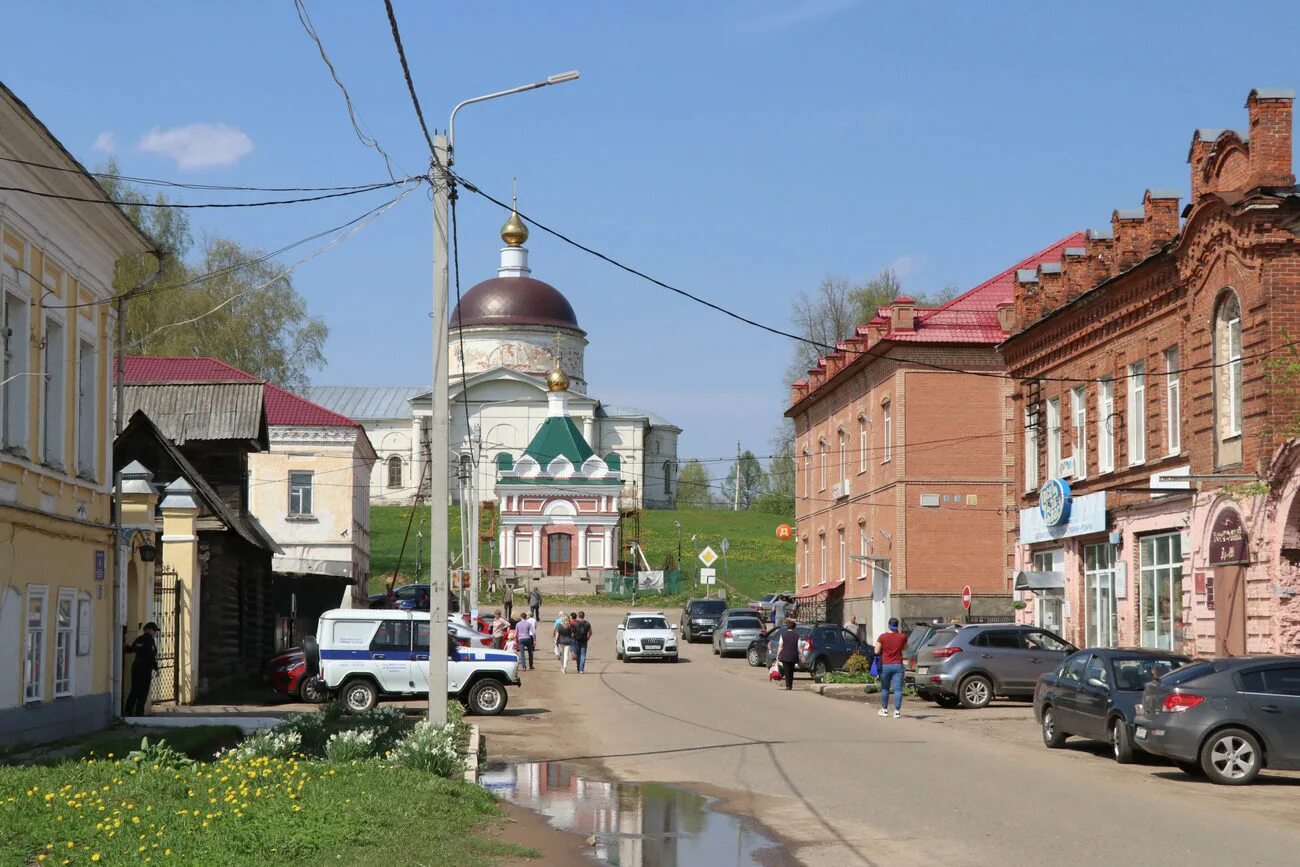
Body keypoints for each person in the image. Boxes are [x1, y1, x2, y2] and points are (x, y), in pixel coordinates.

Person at [123, 622, 160, 716]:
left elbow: (132, 649)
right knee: (143, 691)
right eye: (154, 630)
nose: (155, 632)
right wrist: (156, 668)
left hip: (136, 666)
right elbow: (151, 656)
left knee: (134, 690)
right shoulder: (150, 640)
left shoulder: (139, 639)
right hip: (145, 668)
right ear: (148, 630)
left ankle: (128, 711)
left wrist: (124, 647)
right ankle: (139, 712)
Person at [875, 617, 907, 718]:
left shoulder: (882, 637)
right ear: (897, 626)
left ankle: (884, 710)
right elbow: (905, 647)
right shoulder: (902, 637)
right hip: (898, 665)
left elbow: (876, 651)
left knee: (885, 688)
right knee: (898, 689)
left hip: (885, 665)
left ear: (888, 625)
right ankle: (897, 712)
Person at [776, 618, 800, 691]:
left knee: (786, 671)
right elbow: (799, 647)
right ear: (794, 627)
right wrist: (801, 655)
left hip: (785, 655)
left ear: (787, 627)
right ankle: (790, 685)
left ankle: (787, 686)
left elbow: (780, 646)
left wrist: (777, 655)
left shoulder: (783, 635)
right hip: (793, 655)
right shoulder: (797, 636)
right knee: (791, 671)